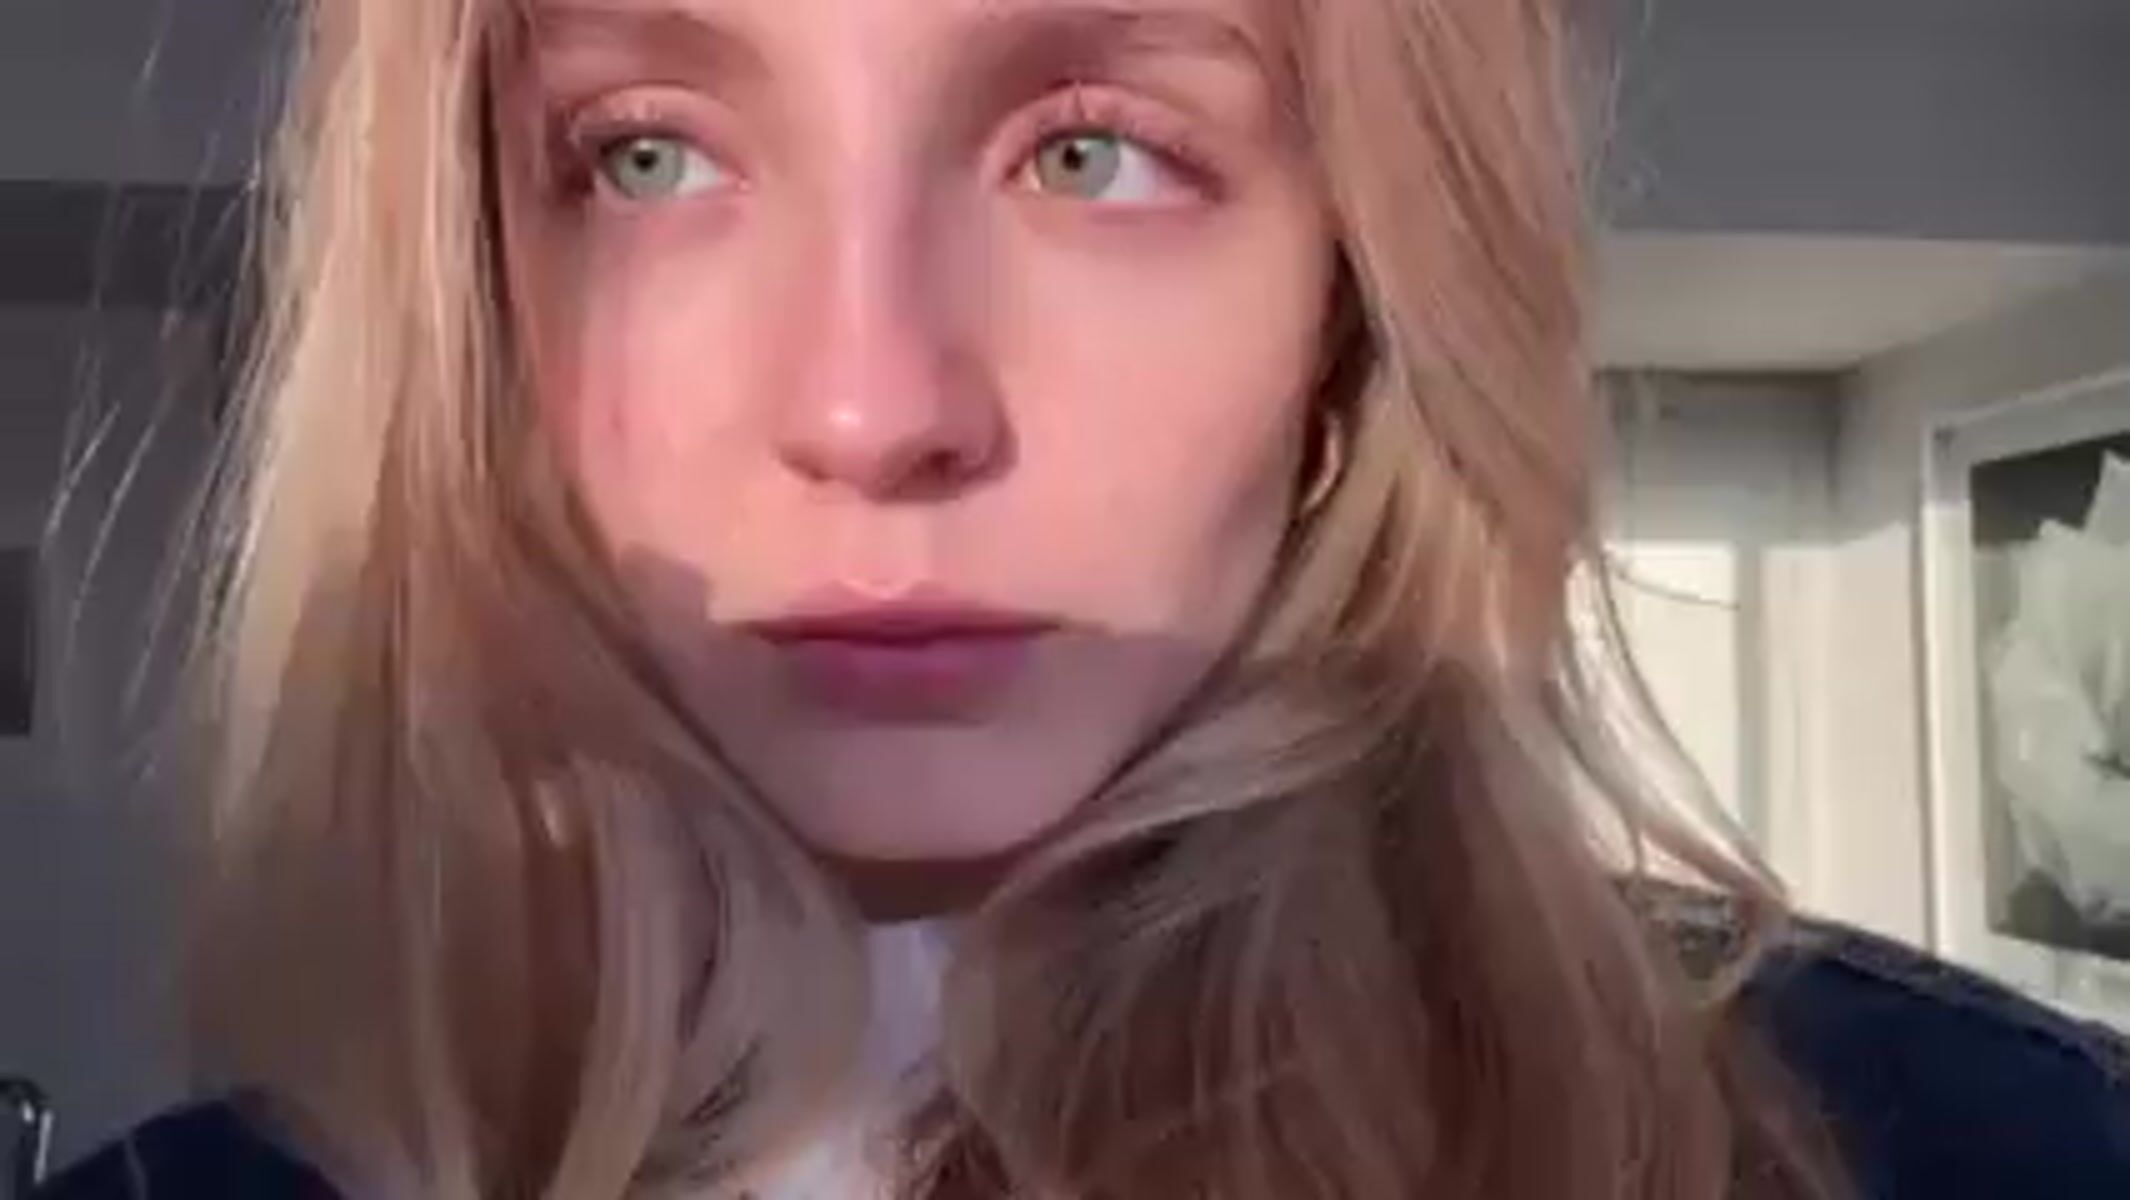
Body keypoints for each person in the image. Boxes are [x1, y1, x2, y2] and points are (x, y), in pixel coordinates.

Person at [37, 0, 2130, 1196]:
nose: (871, 408)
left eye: (1091, 154)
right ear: (470, 291)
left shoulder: (1973, 1158)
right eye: (649, 154)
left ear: (1352, 305)